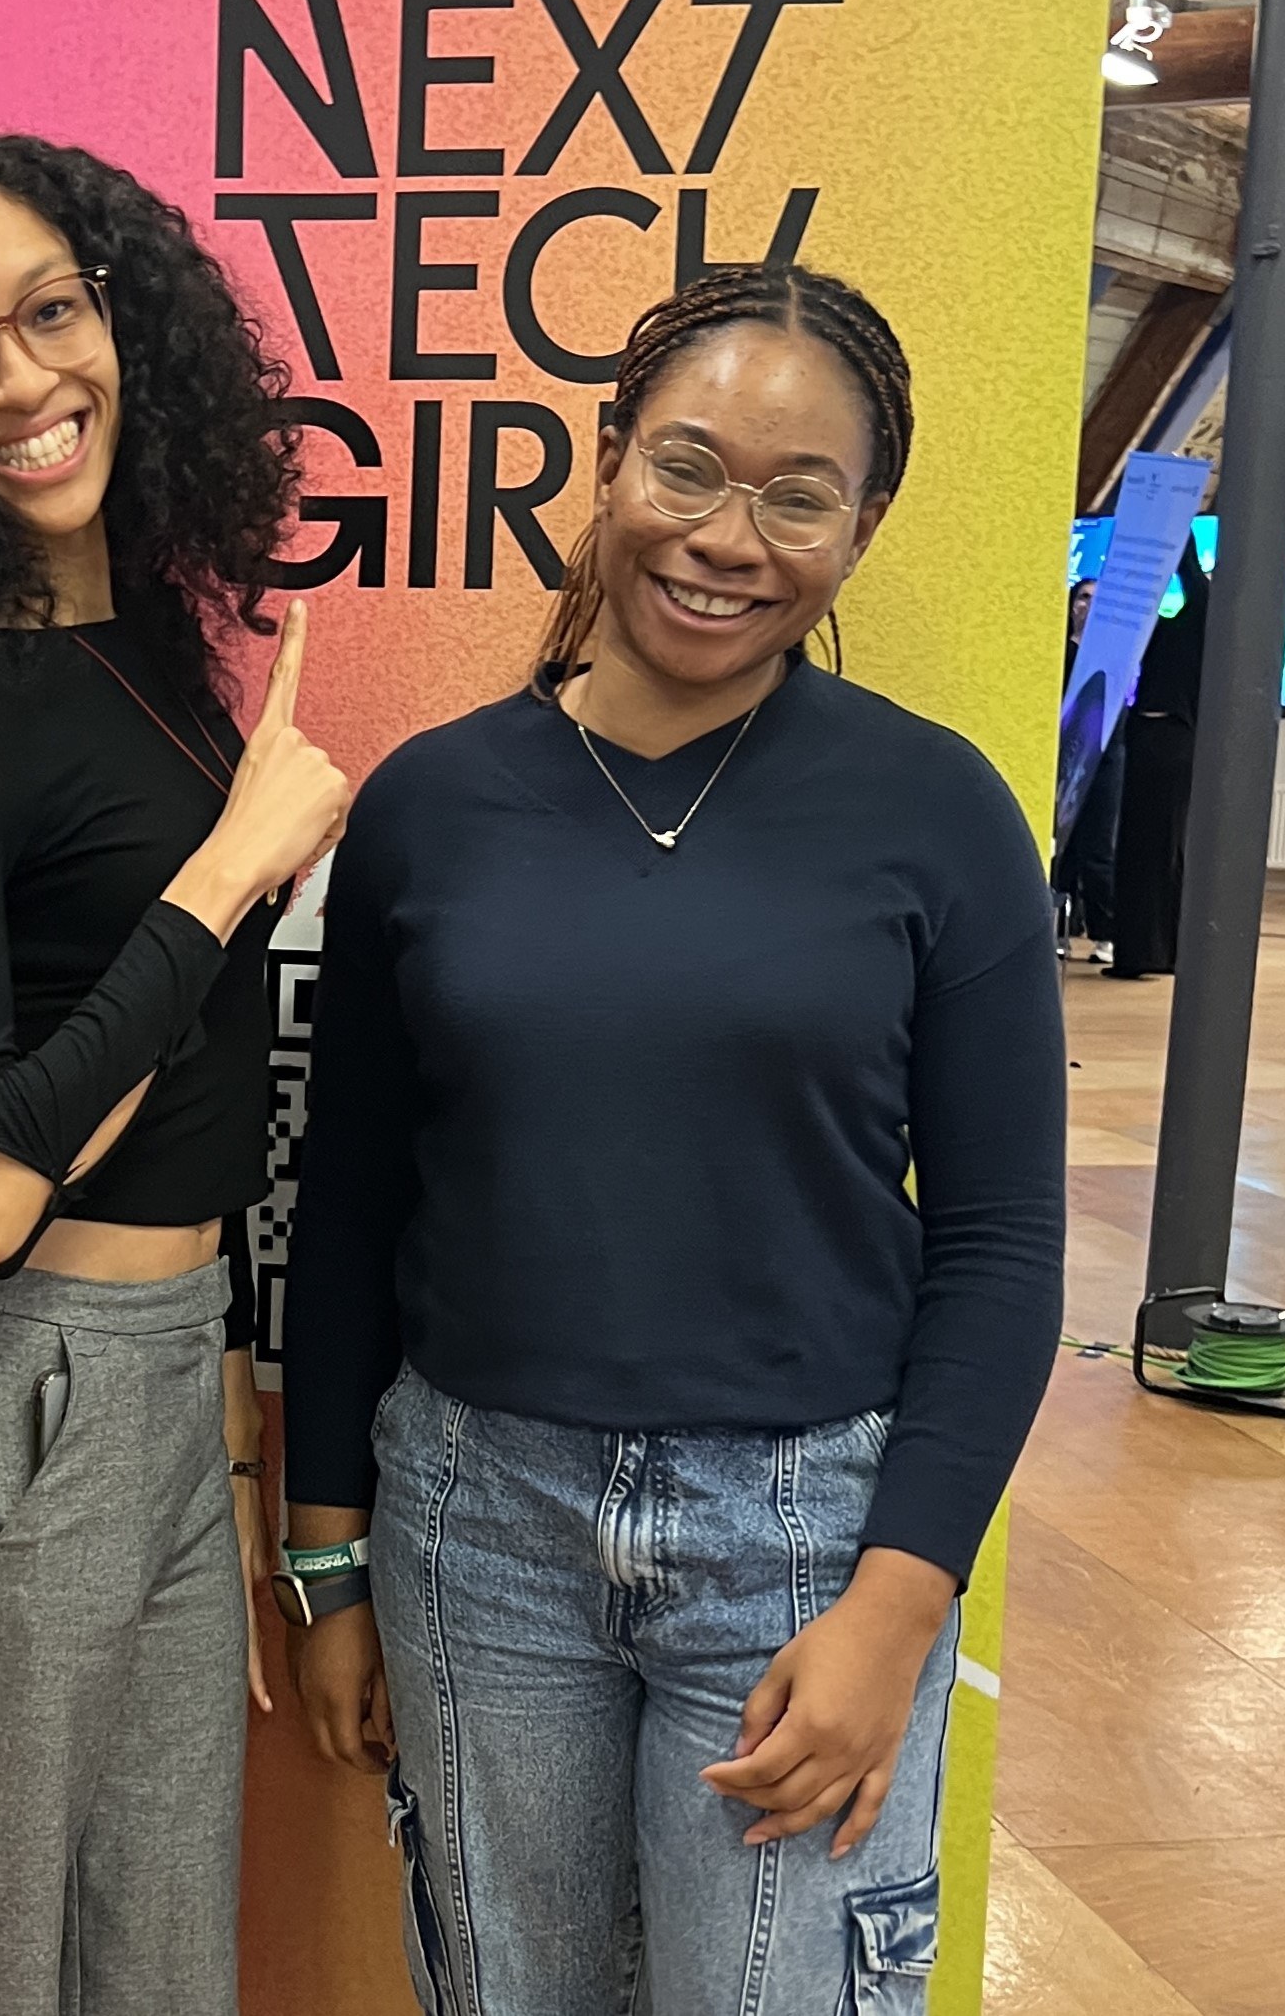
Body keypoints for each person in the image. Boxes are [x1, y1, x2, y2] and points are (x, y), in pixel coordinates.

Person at [279, 266, 1067, 2014]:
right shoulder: (433, 800)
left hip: (802, 1542)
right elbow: (346, 1200)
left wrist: (898, 1605)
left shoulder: (938, 812)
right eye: (686, 466)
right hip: (476, 1525)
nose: (727, 534)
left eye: (798, 495)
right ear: (607, 462)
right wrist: (323, 1549)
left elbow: (1004, 1243)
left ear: (861, 529)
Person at [0, 132, 348, 2016]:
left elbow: (189, 1071)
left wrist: (223, 1422)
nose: (25, 381)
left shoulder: (147, 650)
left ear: (124, 314)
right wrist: (233, 862)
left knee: (157, 1969)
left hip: (154, 1398)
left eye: (50, 311)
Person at [1108, 534, 1209, 980]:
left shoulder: (1201, 620)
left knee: (1150, 848)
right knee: (1156, 847)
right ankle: (1155, 950)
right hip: (1158, 740)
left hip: (1163, 740)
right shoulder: (1186, 626)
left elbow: (1190, 580)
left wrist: (1173, 530)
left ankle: (1147, 951)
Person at [1052, 580, 1123, 966]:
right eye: (1083, 597)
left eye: (1097, 600)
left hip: (1104, 759)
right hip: (1062, 760)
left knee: (1098, 850)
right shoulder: (1058, 653)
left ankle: (1105, 935)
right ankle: (1059, 932)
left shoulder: (1114, 656)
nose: (1088, 606)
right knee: (1061, 849)